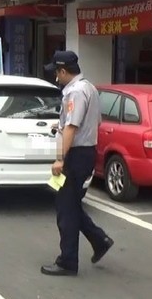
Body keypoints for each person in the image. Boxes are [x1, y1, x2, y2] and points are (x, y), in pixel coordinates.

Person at [41, 50, 114, 276]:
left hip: (76, 155)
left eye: (56, 73)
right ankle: (99, 239)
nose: (55, 78)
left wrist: (60, 158)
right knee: (70, 205)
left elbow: (72, 127)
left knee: (65, 209)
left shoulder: (75, 92)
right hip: (84, 152)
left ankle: (68, 261)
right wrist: (61, 128)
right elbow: (90, 123)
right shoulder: (89, 88)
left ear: (63, 71)